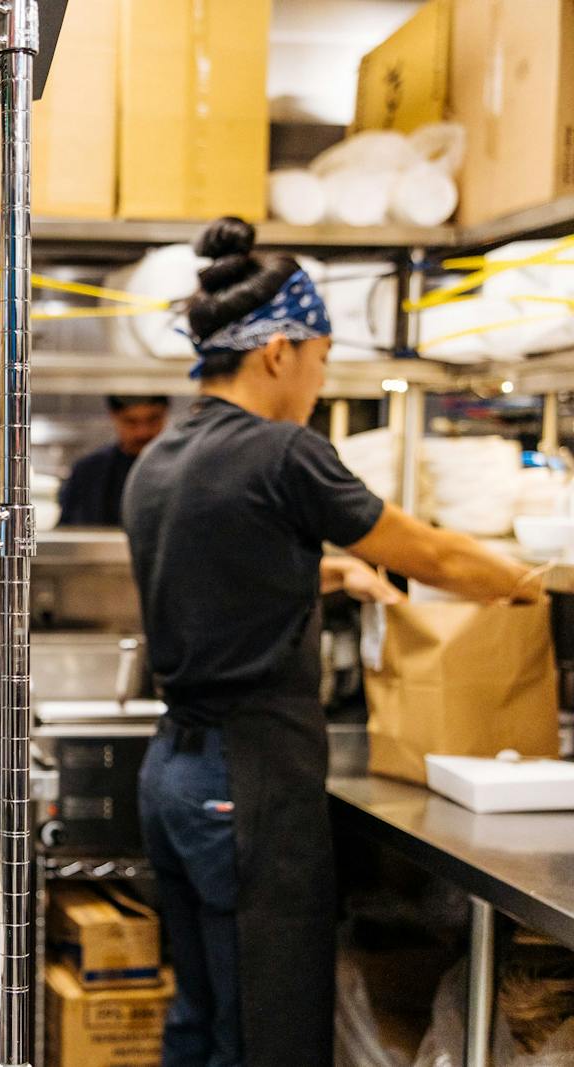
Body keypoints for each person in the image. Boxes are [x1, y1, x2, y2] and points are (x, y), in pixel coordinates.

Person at [122, 217, 542, 1067]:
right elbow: (425, 551)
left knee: (203, 1020)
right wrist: (524, 577)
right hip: (250, 781)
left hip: (175, 775)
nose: (320, 380)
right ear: (277, 350)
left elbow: (219, 576)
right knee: (269, 1034)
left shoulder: (163, 457)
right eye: (319, 358)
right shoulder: (286, 454)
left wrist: (328, 578)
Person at [58, 395, 170, 526]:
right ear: (114, 417)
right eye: (131, 421)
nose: (142, 432)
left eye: (153, 420)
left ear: (165, 415)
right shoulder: (87, 471)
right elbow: (69, 530)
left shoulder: (180, 469)